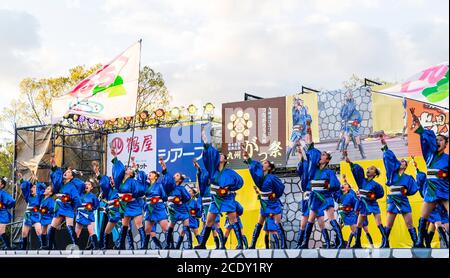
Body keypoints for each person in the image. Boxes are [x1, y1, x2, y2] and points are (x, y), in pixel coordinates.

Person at [195, 126, 244, 249]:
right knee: (209, 221)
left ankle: (240, 244)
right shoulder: (212, 170)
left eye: (222, 155)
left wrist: (229, 188)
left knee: (233, 220)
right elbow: (210, 152)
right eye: (219, 154)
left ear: (225, 160)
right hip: (215, 198)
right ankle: (202, 244)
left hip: (227, 198)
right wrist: (205, 139)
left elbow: (240, 182)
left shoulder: (230, 173)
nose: (220, 156)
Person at [297, 120, 343, 249]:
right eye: (321, 154)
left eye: (323, 155)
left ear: (327, 159)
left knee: (331, 218)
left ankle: (340, 242)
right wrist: (309, 128)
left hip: (326, 197)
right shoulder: (314, 169)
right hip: (315, 197)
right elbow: (310, 145)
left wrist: (326, 187)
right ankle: (305, 243)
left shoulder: (329, 172)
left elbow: (335, 185)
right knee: (310, 220)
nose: (320, 156)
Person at [410, 108, 449, 248]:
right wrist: (415, 118)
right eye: (436, 139)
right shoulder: (429, 155)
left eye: (441, 140)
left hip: (445, 190)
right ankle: (420, 242)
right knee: (423, 217)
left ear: (446, 143)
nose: (438, 141)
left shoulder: (447, 159)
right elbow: (424, 134)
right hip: (431, 190)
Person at [381, 136, 419, 247]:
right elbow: (389, 160)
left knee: (409, 224)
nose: (401, 162)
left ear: (406, 166)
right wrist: (385, 146)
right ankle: (385, 243)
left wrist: (406, 191)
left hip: (403, 200)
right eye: (400, 161)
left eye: (404, 162)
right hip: (393, 200)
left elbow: (413, 189)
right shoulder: (392, 173)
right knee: (388, 224)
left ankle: (416, 243)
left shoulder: (408, 177)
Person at [244, 146, 286, 249]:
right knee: (259, 223)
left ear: (270, 168)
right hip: (264, 203)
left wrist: (274, 195)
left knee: (277, 224)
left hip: (272, 203)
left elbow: (280, 188)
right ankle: (253, 244)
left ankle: (284, 245)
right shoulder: (260, 177)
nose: (263, 164)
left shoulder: (273, 178)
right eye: (264, 162)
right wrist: (247, 157)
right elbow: (254, 167)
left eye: (266, 163)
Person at [344, 152, 387, 248]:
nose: (368, 169)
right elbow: (357, 171)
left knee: (378, 223)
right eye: (368, 168)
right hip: (363, 205)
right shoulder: (361, 181)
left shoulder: (376, 184)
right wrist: (350, 162)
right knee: (359, 224)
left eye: (371, 169)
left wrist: (373, 196)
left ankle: (386, 242)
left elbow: (380, 193)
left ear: (375, 173)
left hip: (372, 205)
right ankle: (358, 243)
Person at [110, 148, 145, 250]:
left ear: (131, 173)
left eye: (129, 169)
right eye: (127, 168)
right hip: (124, 205)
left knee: (138, 224)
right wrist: (115, 156)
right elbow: (117, 169)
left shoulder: (133, 181)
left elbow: (140, 188)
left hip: (133, 204)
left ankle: (144, 245)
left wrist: (131, 196)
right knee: (125, 226)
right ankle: (123, 245)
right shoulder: (120, 182)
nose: (127, 168)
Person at [47, 154, 83, 250]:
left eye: (68, 172)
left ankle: (76, 245)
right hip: (59, 207)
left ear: (71, 177)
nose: (66, 173)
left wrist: (72, 204)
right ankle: (49, 247)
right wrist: (54, 164)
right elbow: (56, 176)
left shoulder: (72, 186)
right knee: (52, 227)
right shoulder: (61, 183)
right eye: (66, 171)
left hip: (67, 208)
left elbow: (76, 198)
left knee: (69, 227)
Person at [415, 158, 449, 248]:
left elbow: (420, 179)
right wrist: (416, 169)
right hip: (438, 205)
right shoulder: (431, 181)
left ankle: (430, 244)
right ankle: (430, 244)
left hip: (433, 205)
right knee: (436, 224)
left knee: (435, 224)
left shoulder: (427, 183)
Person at [159, 158, 192, 249]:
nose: (174, 176)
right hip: (172, 208)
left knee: (186, 226)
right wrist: (163, 166)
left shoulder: (181, 188)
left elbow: (188, 197)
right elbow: (166, 177)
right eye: (174, 175)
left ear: (180, 179)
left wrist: (180, 200)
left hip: (182, 208)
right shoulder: (169, 187)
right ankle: (168, 245)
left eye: (177, 175)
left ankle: (190, 246)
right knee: (171, 226)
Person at [334, 174, 374, 248]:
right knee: (338, 229)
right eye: (343, 185)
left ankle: (361, 244)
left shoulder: (352, 195)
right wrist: (343, 181)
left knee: (356, 230)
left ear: (349, 188)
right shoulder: (340, 194)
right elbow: (335, 191)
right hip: (341, 214)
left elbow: (357, 203)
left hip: (352, 214)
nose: (343, 185)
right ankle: (338, 244)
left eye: (345, 185)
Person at [194, 159, 224, 249]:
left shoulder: (215, 181)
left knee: (216, 225)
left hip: (212, 203)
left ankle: (222, 245)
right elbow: (201, 173)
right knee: (207, 225)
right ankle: (205, 244)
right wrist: (198, 168)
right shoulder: (204, 187)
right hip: (205, 205)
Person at [138, 168, 168, 250]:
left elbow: (164, 197)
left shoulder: (159, 185)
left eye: (152, 173)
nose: (149, 174)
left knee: (165, 228)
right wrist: (136, 168)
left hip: (158, 207)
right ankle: (145, 246)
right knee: (147, 230)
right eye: (149, 173)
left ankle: (169, 245)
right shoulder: (146, 185)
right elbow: (141, 176)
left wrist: (159, 201)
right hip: (149, 208)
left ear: (156, 177)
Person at [19, 172, 46, 250]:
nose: (32, 189)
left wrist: (36, 180)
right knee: (24, 233)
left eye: (34, 187)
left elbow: (42, 188)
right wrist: (21, 179)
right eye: (31, 188)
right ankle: (23, 249)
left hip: (36, 214)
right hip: (28, 215)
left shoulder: (40, 196)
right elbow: (24, 189)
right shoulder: (28, 196)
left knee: (39, 231)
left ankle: (43, 246)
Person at [75, 179, 100, 249]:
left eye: (89, 184)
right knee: (77, 232)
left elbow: (96, 205)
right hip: (80, 214)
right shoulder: (79, 193)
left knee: (91, 230)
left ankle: (96, 248)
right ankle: (75, 248)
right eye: (85, 184)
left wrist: (91, 209)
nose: (86, 185)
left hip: (89, 214)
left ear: (91, 187)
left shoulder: (93, 196)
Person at [340, 90, 366, 159]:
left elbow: (359, 120)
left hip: (354, 129)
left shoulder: (356, 112)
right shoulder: (345, 108)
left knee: (358, 142)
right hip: (348, 129)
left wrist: (353, 122)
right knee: (346, 142)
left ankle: (363, 154)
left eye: (350, 95)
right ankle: (343, 155)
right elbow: (342, 116)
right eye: (347, 95)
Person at [286, 97, 312, 164]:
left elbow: (308, 124)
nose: (301, 106)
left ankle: (310, 160)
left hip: (302, 133)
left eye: (301, 104)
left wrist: (306, 131)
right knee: (290, 148)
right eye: (299, 104)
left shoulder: (307, 116)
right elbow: (294, 108)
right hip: (296, 132)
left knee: (305, 148)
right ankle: (285, 161)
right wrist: (296, 101)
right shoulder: (296, 114)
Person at [0, 177, 16, 250]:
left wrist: (4, 205)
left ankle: (8, 247)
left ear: (2, 185)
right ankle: (8, 246)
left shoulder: (3, 193)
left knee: (1, 231)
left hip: (2, 214)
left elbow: (12, 201)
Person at [39, 184, 55, 249]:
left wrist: (46, 210)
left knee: (49, 232)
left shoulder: (50, 200)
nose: (45, 189)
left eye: (48, 189)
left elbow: (53, 209)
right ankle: (43, 245)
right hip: (43, 218)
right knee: (43, 232)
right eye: (46, 188)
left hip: (49, 218)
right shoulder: (42, 199)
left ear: (51, 193)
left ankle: (53, 246)